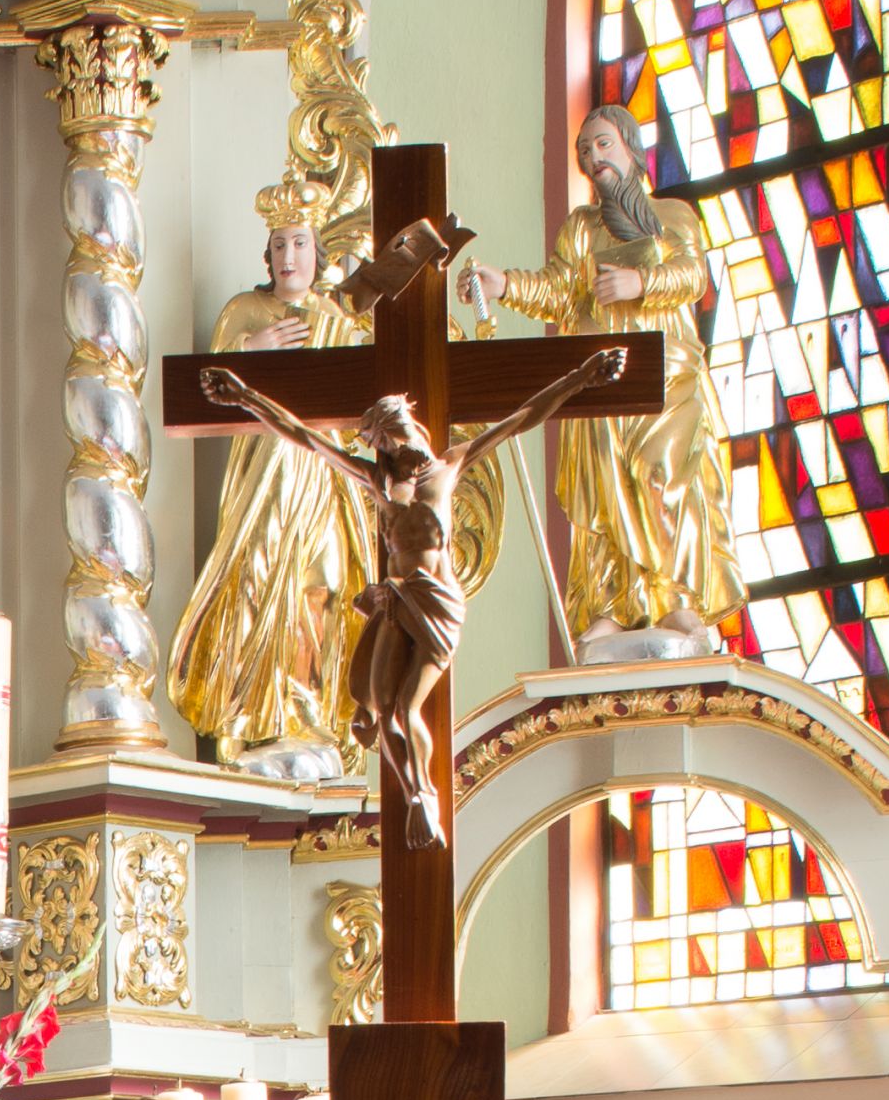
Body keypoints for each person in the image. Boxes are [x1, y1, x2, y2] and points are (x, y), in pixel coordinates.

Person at [200, 352, 625, 845]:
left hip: (438, 602)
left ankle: (423, 795)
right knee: (385, 709)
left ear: (413, 424)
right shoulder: (380, 483)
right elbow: (304, 435)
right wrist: (246, 397)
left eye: (400, 430)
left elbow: (522, 417)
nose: (399, 442)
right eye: (386, 438)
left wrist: (579, 376)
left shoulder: (451, 465)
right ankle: (417, 795)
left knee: (406, 706)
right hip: (396, 601)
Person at [463, 107, 746, 656]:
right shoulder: (581, 228)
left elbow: (693, 274)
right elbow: (558, 290)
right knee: (606, 492)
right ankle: (615, 606)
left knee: (662, 476)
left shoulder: (672, 215)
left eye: (603, 144)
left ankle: (677, 598)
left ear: (632, 149)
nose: (593, 157)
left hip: (666, 373)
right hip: (599, 379)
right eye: (584, 151)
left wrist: (641, 281)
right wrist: (503, 285)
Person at [168, 181, 375, 775]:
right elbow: (205, 388)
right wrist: (250, 349)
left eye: (300, 243)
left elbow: (361, 400)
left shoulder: (335, 319)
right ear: (268, 254)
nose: (289, 256)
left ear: (317, 253)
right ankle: (253, 722)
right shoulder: (244, 311)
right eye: (280, 244)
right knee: (257, 588)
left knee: (324, 589)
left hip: (323, 479)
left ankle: (308, 720)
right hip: (264, 484)